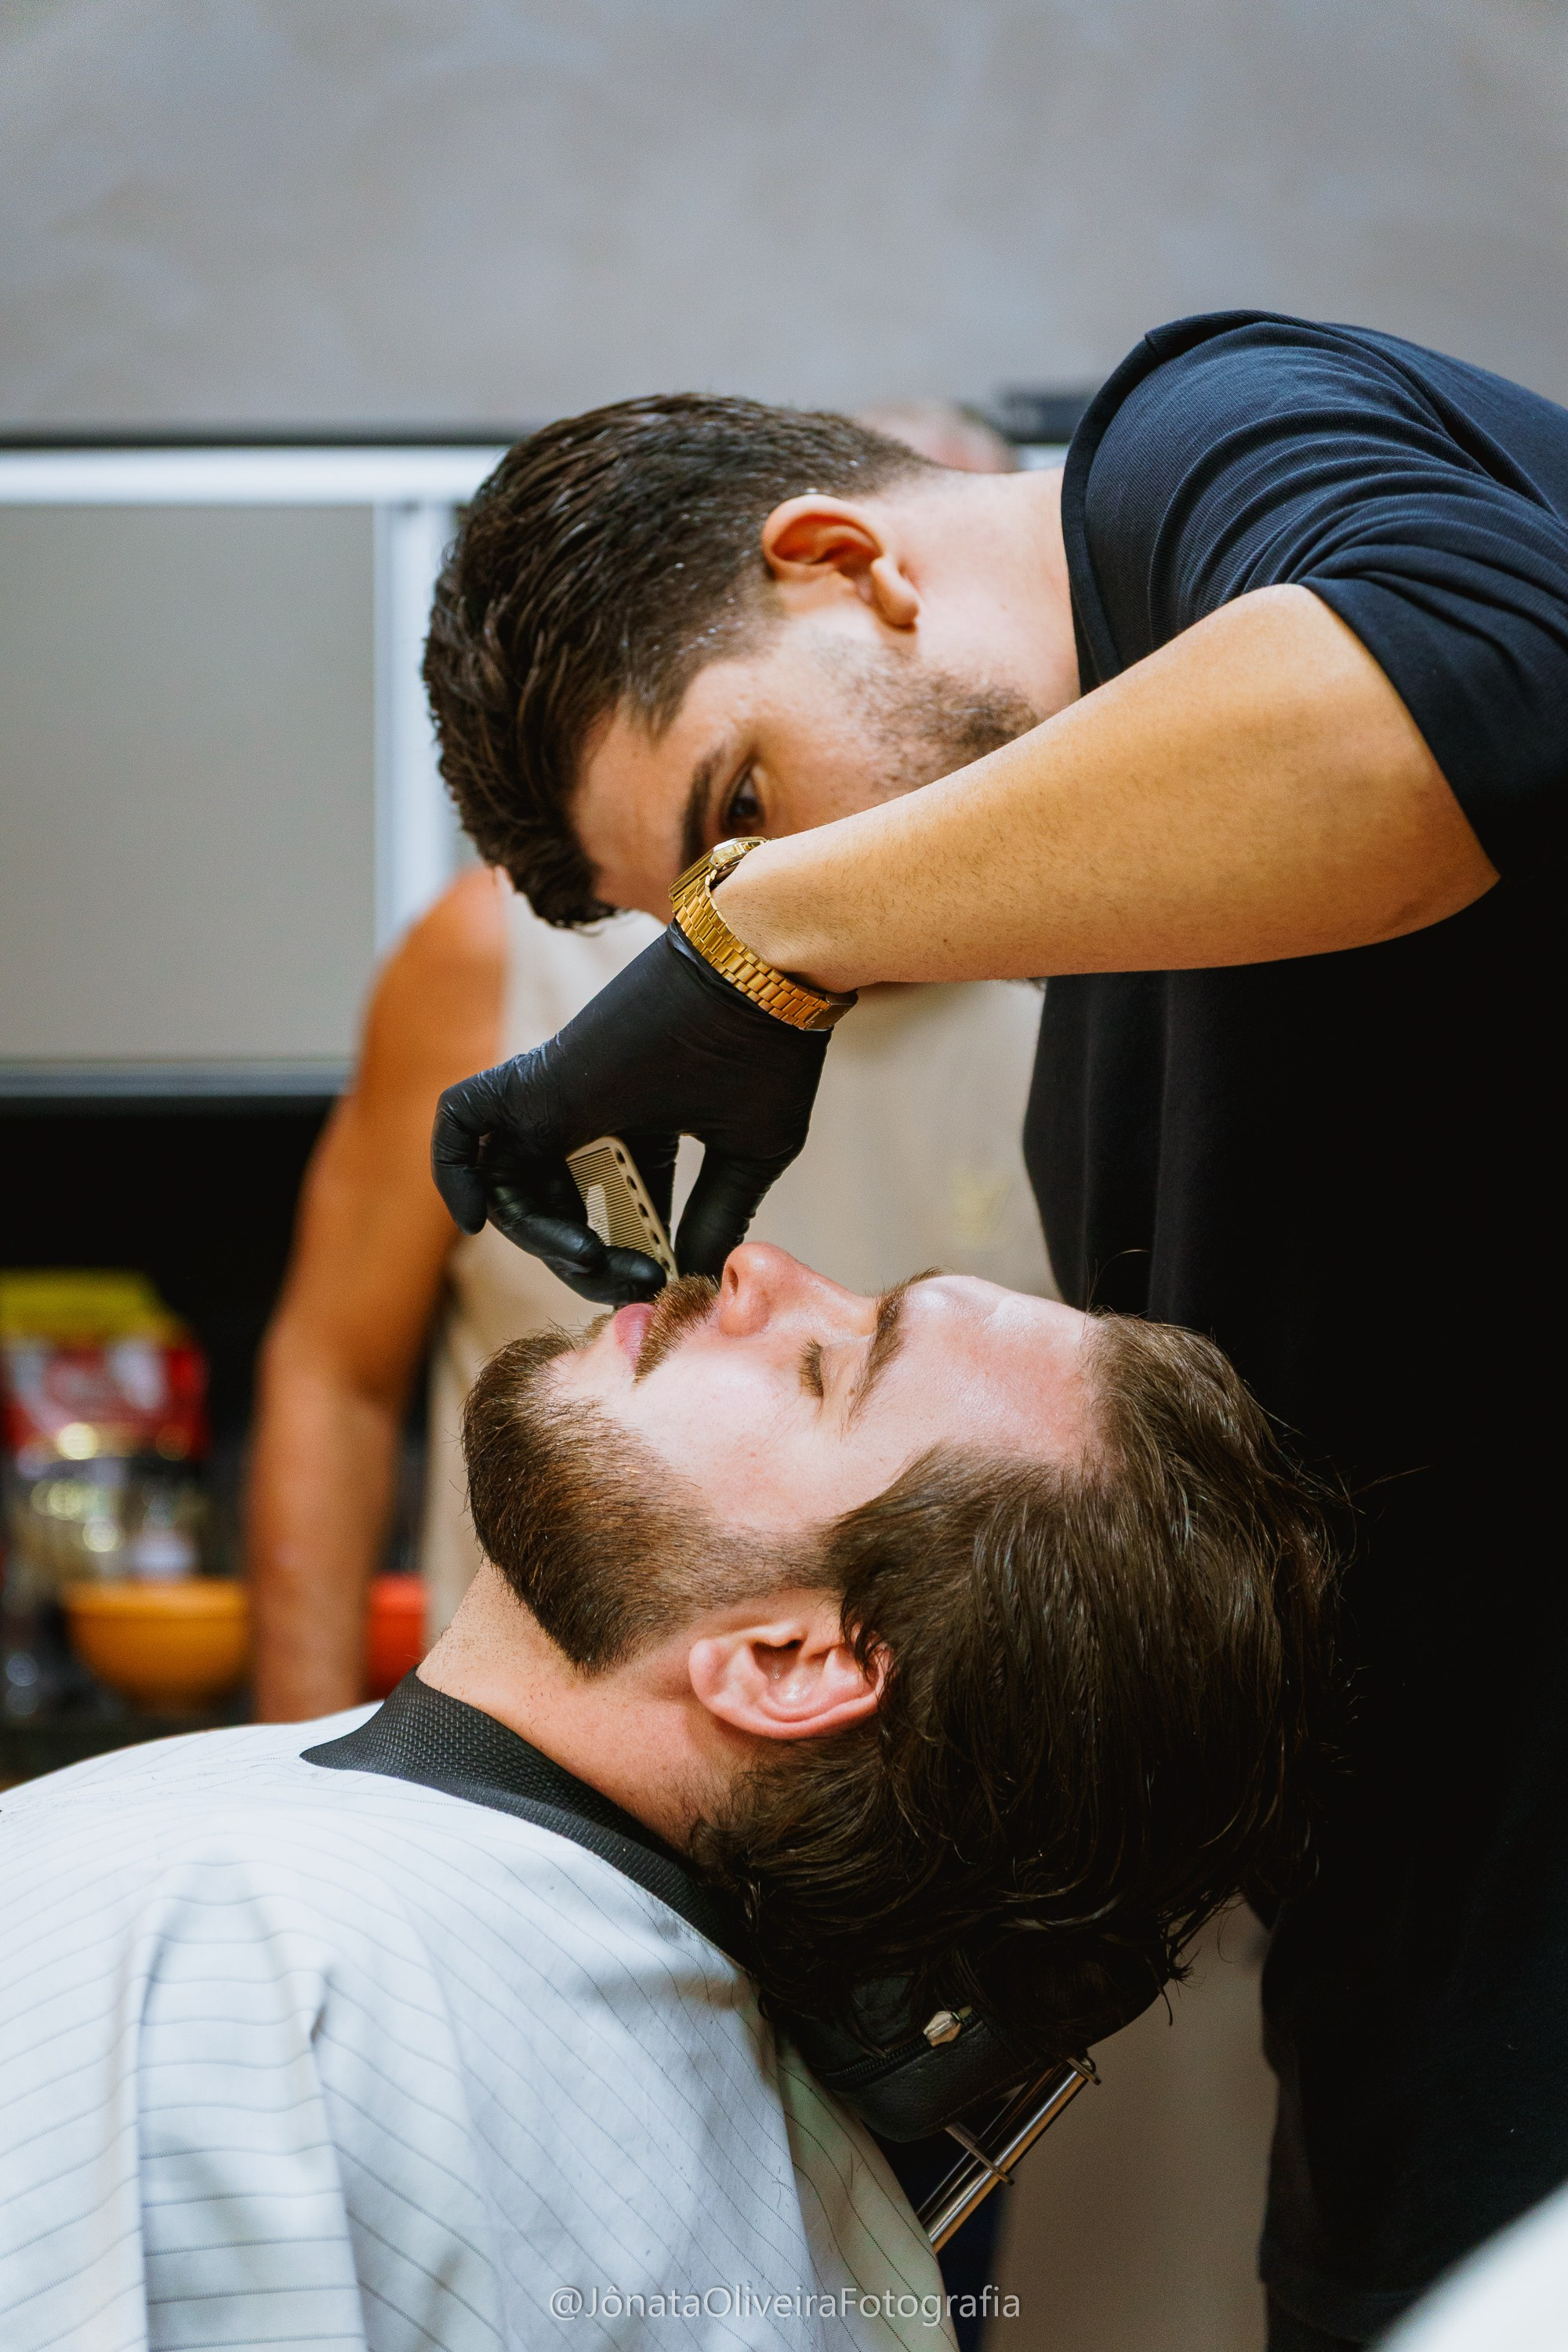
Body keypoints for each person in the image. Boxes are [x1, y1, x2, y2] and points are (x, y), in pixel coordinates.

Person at [422, 316, 1564, 2348]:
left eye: (742, 807)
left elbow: (1467, 695)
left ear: (852, 560)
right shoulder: (1108, 1053)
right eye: (721, 887)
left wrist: (769, 934)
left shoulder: (1209, 433)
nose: (789, 910)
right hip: (1429, 2025)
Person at [0, 1247, 1333, 2352]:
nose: (756, 1270)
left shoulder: (249, 1957)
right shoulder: (842, 2258)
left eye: (828, 1370)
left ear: (789, 1663)